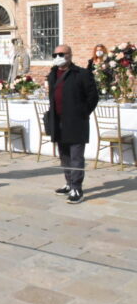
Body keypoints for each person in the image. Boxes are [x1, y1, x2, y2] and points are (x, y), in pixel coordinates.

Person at [47, 44, 98, 204]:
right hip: (58, 122)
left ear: (70, 55)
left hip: (76, 122)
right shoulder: (53, 74)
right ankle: (69, 183)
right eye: (55, 55)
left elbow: (93, 97)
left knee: (76, 156)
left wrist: (82, 113)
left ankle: (77, 188)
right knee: (64, 155)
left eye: (61, 54)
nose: (58, 57)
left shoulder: (81, 74)